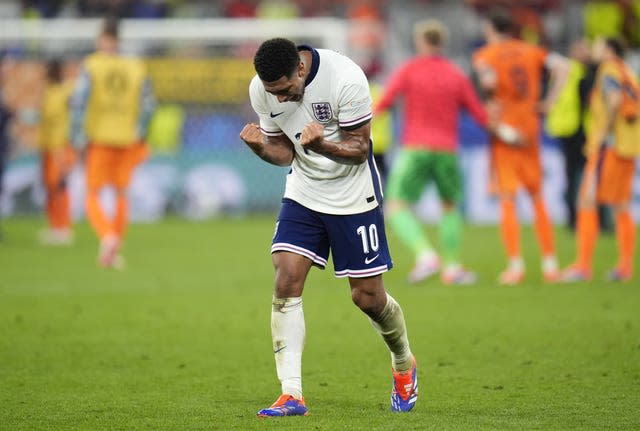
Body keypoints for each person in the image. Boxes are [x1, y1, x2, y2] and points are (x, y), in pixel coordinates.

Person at [240, 38, 417, 416]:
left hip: (354, 196)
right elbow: (284, 151)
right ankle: (292, 394)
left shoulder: (346, 78)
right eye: (274, 94)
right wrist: (260, 147)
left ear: (301, 70)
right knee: (286, 275)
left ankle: (403, 362)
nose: (281, 99)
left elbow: (360, 150)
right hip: (304, 191)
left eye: (286, 90)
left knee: (366, 298)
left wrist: (322, 147)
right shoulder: (263, 89)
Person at [374, 19, 490, 285]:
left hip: (415, 148)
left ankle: (425, 255)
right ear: (442, 43)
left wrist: (357, 126)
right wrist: (501, 127)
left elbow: (384, 102)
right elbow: (479, 114)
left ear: (420, 42)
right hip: (447, 150)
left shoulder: (409, 70)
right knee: (449, 207)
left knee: (395, 206)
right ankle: (452, 268)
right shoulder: (456, 74)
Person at [472, 9, 569, 285]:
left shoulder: (485, 56)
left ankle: (515, 265)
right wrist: (549, 102)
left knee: (508, 199)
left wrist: (491, 101)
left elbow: (487, 82)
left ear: (491, 29)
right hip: (530, 127)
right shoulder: (532, 50)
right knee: (537, 197)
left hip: (506, 132)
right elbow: (565, 67)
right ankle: (551, 265)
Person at [70, 18, 155, 268]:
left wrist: (76, 136)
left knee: (92, 194)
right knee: (121, 193)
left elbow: (78, 102)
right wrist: (140, 133)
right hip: (127, 137)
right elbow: (149, 105)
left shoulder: (92, 65)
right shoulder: (135, 66)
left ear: (102, 39)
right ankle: (114, 248)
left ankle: (107, 236)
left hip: (100, 137)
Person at [561, 37, 640, 282]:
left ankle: (582, 266)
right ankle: (624, 267)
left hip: (609, 147)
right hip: (626, 146)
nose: (594, 50)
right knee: (621, 205)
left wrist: (603, 134)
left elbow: (614, 100)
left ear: (608, 50)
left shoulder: (609, 69)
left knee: (586, 200)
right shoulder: (628, 71)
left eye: (597, 46)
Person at [38, 59, 76, 246]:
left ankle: (64, 228)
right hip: (48, 146)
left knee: (60, 186)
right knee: (51, 188)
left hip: (61, 146)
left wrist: (64, 150)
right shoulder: (50, 92)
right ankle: (55, 226)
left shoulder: (65, 92)